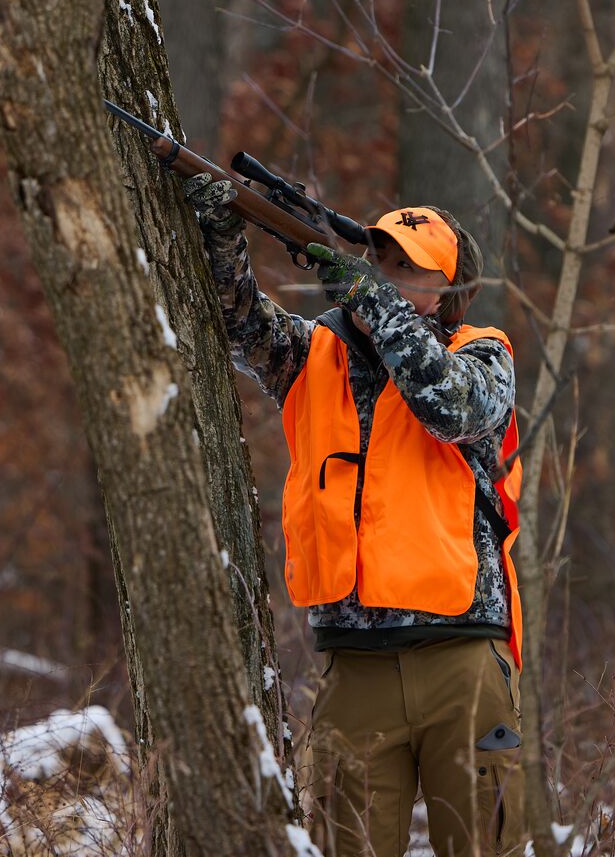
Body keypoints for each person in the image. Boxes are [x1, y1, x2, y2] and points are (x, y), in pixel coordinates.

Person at [182, 173, 527, 857]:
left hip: (462, 654)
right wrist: (223, 236)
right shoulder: (318, 353)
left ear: (449, 290)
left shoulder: (482, 354)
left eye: (411, 266)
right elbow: (239, 322)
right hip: (354, 666)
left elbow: (448, 406)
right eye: (383, 259)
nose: (391, 275)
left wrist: (376, 303)